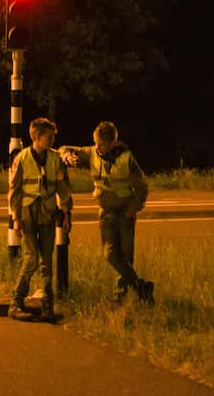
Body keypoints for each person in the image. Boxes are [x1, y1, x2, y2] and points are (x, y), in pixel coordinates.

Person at [60, 120, 153, 304]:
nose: (97, 146)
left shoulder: (127, 159)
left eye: (101, 143)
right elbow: (64, 148)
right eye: (95, 142)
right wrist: (68, 157)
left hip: (125, 213)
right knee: (110, 255)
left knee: (126, 256)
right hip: (106, 213)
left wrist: (132, 210)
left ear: (113, 142)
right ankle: (141, 286)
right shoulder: (92, 153)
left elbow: (142, 188)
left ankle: (121, 294)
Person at [8, 117, 73, 322]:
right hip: (28, 213)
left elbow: (63, 189)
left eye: (53, 136)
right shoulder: (22, 158)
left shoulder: (55, 159)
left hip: (47, 213)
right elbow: (15, 191)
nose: (52, 140)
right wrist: (16, 218)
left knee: (46, 261)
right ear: (36, 137)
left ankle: (47, 305)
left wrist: (66, 212)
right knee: (31, 258)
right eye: (49, 136)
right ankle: (16, 302)